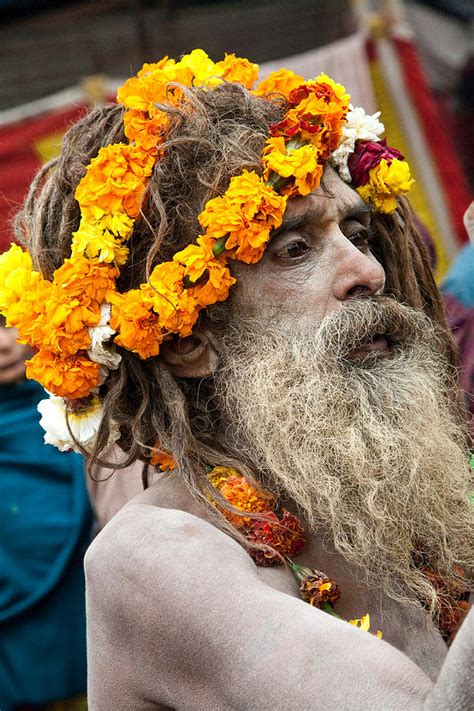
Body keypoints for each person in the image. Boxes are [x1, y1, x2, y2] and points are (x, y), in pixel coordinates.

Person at [1, 50, 472, 709]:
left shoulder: (403, 496)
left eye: (358, 232)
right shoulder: (152, 559)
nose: (366, 271)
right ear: (193, 343)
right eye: (294, 249)